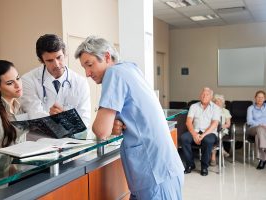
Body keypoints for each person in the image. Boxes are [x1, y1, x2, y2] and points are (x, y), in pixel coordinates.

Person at [75, 36, 184, 200]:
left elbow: (100, 130)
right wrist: (115, 122)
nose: (87, 73)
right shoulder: (130, 68)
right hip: (161, 170)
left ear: (106, 56)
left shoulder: (113, 73)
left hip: (154, 175)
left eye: (90, 65)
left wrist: (110, 124)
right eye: (84, 67)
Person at [20, 34, 91, 128]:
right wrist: (53, 118)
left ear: (65, 54)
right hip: (41, 139)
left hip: (72, 140)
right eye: (50, 60)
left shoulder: (80, 82)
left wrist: (64, 118)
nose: (56, 64)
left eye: (59, 57)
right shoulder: (28, 80)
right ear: (42, 61)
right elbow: (34, 115)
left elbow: (85, 120)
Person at [181, 87, 220, 176]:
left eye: (207, 94)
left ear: (211, 97)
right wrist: (195, 135)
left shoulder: (215, 108)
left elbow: (214, 124)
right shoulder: (194, 106)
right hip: (195, 131)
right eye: (202, 94)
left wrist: (203, 135)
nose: (204, 96)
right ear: (200, 95)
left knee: (208, 140)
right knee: (184, 138)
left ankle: (204, 167)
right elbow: (188, 122)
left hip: (209, 133)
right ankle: (190, 164)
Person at [246, 90, 266, 170]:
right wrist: (260, 125)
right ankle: (265, 148)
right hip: (253, 128)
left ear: (264, 98)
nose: (260, 99)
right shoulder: (250, 108)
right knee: (259, 129)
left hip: (264, 129)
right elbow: (249, 121)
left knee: (259, 135)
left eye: (262, 97)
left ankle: (262, 160)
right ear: (255, 98)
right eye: (258, 97)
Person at [210, 94, 231, 166]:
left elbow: (228, 124)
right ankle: (222, 150)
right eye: (216, 101)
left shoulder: (226, 111)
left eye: (220, 101)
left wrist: (221, 126)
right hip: (212, 129)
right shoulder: (210, 110)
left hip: (222, 129)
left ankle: (213, 158)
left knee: (218, 136)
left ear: (223, 103)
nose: (218, 103)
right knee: (214, 135)